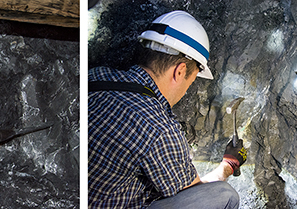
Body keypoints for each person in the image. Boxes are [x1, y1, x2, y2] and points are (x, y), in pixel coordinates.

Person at [88, 10, 247, 208]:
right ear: (180, 71)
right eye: (191, 79)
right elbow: (198, 196)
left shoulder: (96, 75)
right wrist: (228, 165)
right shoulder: (159, 129)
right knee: (224, 196)